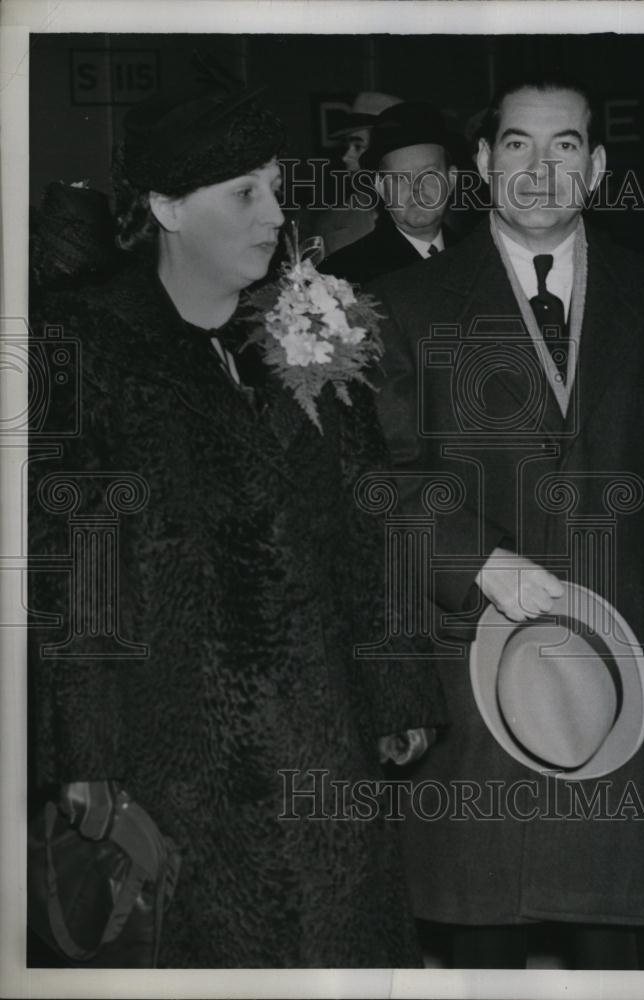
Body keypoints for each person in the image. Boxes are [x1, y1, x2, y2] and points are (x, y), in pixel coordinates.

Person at [27, 79, 446, 968]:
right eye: (242, 193)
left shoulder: (311, 320)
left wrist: (399, 683)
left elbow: (373, 515)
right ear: (166, 206)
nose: (274, 213)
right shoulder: (86, 344)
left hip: (323, 728)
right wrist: (86, 756)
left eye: (275, 186)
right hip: (176, 742)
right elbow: (77, 566)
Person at [368, 74, 644, 969]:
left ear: (596, 167)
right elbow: (379, 478)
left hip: (620, 659)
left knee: (608, 932)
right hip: (473, 658)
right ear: (482, 164)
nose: (539, 168)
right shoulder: (404, 307)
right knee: (478, 926)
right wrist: (478, 559)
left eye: (564, 145)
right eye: (517, 145)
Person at [320, 101, 461, 285]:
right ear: (381, 189)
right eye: (401, 178)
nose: (416, 189)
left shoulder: (482, 256)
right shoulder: (343, 275)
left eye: (429, 174)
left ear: (451, 180)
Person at [309, 90, 402, 256]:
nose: (346, 157)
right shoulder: (330, 225)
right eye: (348, 146)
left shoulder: (429, 219)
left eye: (358, 146)